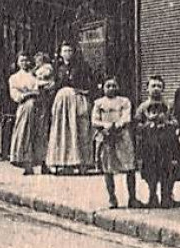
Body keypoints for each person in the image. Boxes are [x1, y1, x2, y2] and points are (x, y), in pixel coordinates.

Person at [46, 41, 95, 173]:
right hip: (62, 102)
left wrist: (82, 91)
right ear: (61, 53)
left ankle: (81, 162)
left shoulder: (81, 67)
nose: (67, 53)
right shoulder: (57, 68)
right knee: (62, 130)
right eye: (65, 51)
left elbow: (89, 83)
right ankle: (63, 162)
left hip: (77, 99)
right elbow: (54, 85)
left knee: (79, 128)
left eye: (69, 51)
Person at [91, 76, 138, 208]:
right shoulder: (99, 103)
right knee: (108, 168)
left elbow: (126, 117)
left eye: (114, 86)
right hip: (106, 137)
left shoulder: (124, 101)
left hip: (122, 136)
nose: (111, 88)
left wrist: (117, 125)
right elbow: (94, 120)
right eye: (108, 86)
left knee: (129, 167)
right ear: (103, 88)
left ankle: (132, 198)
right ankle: (112, 198)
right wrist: (105, 126)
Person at [135, 75, 180, 208]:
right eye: (153, 86)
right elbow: (137, 125)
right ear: (147, 88)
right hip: (149, 144)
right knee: (150, 172)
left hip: (165, 143)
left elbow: (176, 122)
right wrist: (149, 123)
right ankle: (152, 196)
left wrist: (166, 122)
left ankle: (166, 196)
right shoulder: (143, 107)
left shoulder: (168, 105)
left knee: (167, 170)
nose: (156, 89)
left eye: (159, 86)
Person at [8, 54, 51, 174]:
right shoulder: (14, 78)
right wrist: (26, 94)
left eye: (26, 60)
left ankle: (43, 163)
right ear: (17, 62)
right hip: (26, 108)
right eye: (22, 60)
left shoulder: (35, 74)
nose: (24, 63)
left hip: (39, 107)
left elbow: (43, 86)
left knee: (41, 134)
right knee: (25, 134)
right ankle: (27, 164)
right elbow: (15, 94)